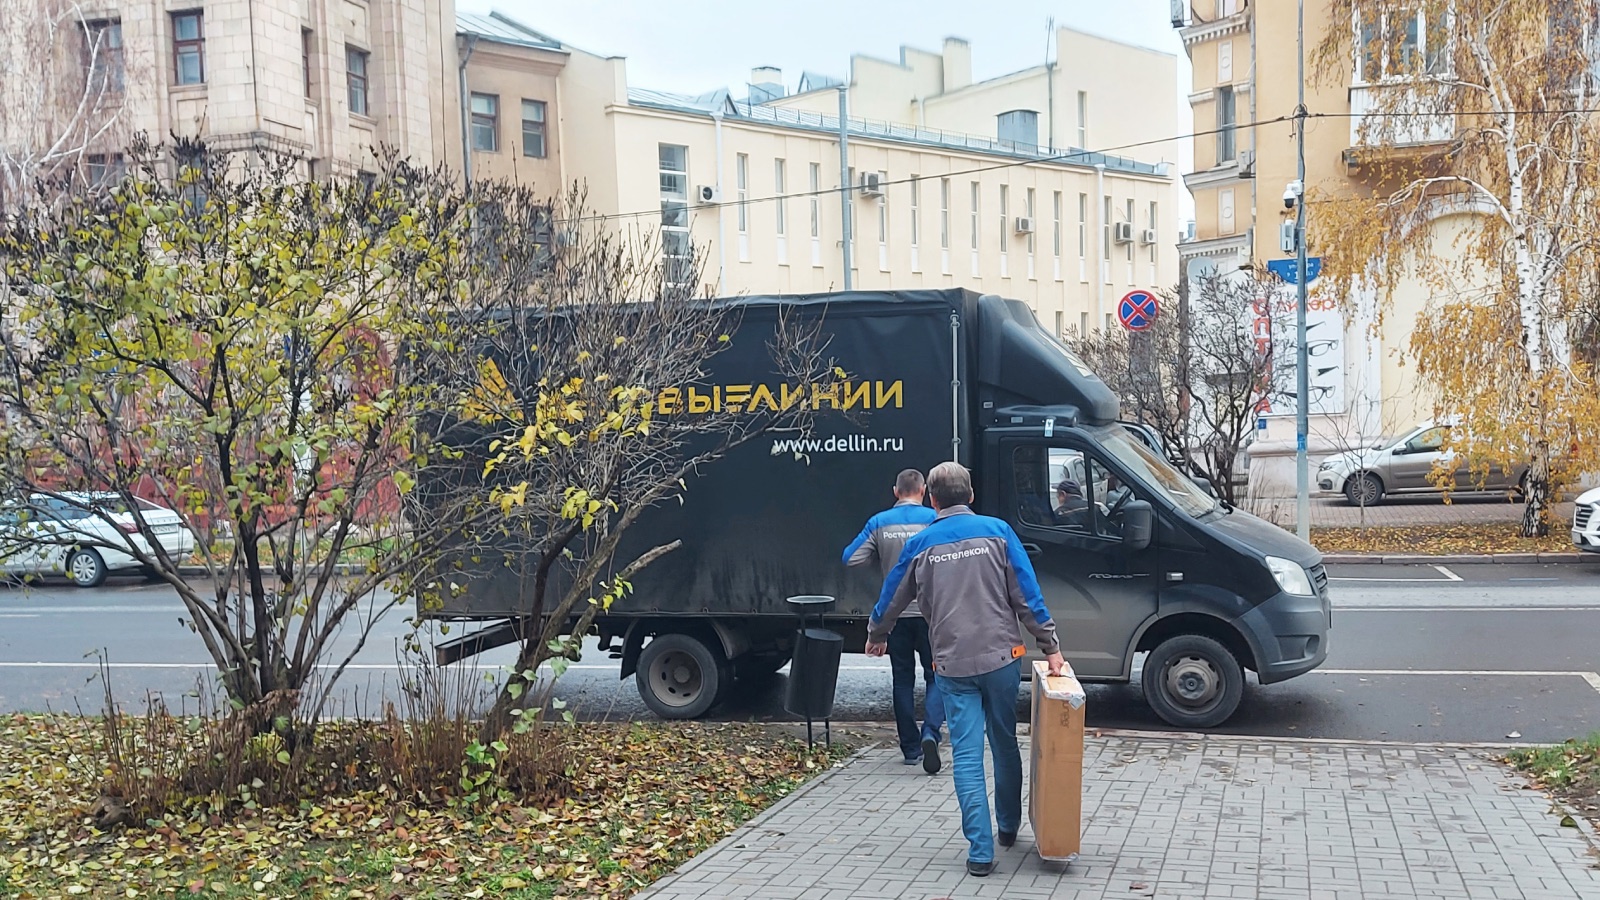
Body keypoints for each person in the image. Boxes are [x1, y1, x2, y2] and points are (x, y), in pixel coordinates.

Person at [866, 461, 1065, 877]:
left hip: (953, 665)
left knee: (968, 756)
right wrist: (1050, 648)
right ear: (971, 496)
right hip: (1001, 659)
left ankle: (980, 851)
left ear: (933, 501)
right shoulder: (999, 532)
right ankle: (1008, 826)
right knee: (1004, 740)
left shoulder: (920, 545)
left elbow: (892, 596)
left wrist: (877, 631)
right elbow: (1027, 595)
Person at [842, 468, 944, 773]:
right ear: (923, 490)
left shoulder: (879, 522)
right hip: (931, 615)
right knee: (936, 676)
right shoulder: (933, 519)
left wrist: (880, 557)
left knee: (902, 680)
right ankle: (932, 734)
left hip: (895, 615)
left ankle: (911, 749)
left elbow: (851, 558)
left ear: (895, 491)